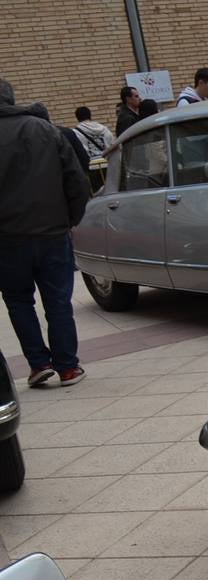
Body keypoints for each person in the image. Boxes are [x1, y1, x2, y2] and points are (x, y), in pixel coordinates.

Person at [0, 79, 90, 388]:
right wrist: (70, 219)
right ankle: (67, 367)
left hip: (7, 239)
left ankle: (38, 364)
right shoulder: (46, 130)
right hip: (52, 232)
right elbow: (76, 180)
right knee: (58, 301)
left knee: (18, 301)